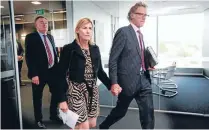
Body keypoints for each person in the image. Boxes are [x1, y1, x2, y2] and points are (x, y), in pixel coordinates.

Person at [58, 18, 122, 129]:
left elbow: (100, 72)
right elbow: (59, 75)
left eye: (90, 28)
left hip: (92, 90)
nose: (88, 31)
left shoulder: (95, 48)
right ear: (77, 30)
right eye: (84, 28)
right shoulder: (69, 49)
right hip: (76, 91)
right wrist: (61, 99)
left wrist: (111, 85)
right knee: (83, 125)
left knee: (91, 124)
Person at [99, 2, 154, 129]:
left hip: (143, 80)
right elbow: (113, 59)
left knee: (148, 113)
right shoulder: (123, 32)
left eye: (146, 15)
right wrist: (114, 82)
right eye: (141, 14)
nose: (144, 17)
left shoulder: (141, 35)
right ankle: (104, 126)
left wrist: (146, 65)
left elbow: (137, 56)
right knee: (120, 111)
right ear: (132, 15)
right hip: (127, 82)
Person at [25, 16, 61, 129]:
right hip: (38, 74)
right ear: (36, 25)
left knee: (56, 94)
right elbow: (29, 57)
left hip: (52, 72)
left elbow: (54, 54)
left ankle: (53, 115)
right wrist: (34, 74)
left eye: (46, 22)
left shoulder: (50, 37)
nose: (44, 24)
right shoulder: (31, 37)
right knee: (37, 97)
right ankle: (38, 120)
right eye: (41, 22)